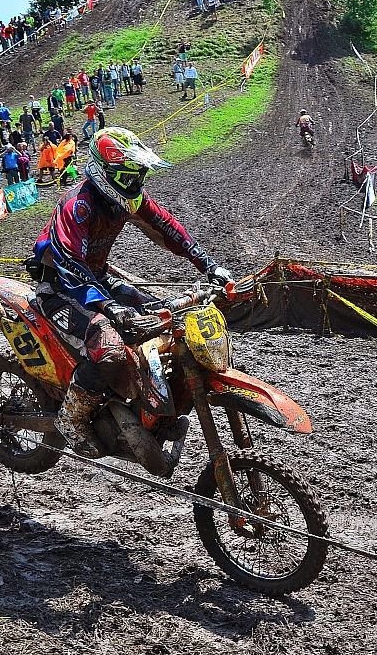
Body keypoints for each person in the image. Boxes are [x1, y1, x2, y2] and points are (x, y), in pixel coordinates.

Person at [31, 127, 235, 458]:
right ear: (105, 171)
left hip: (97, 281)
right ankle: (71, 419)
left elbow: (167, 227)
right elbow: (69, 263)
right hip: (59, 289)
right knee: (109, 350)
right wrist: (109, 306)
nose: (136, 182)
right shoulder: (77, 205)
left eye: (139, 174)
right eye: (129, 175)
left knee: (162, 318)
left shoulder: (130, 199)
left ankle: (147, 406)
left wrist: (210, 266)